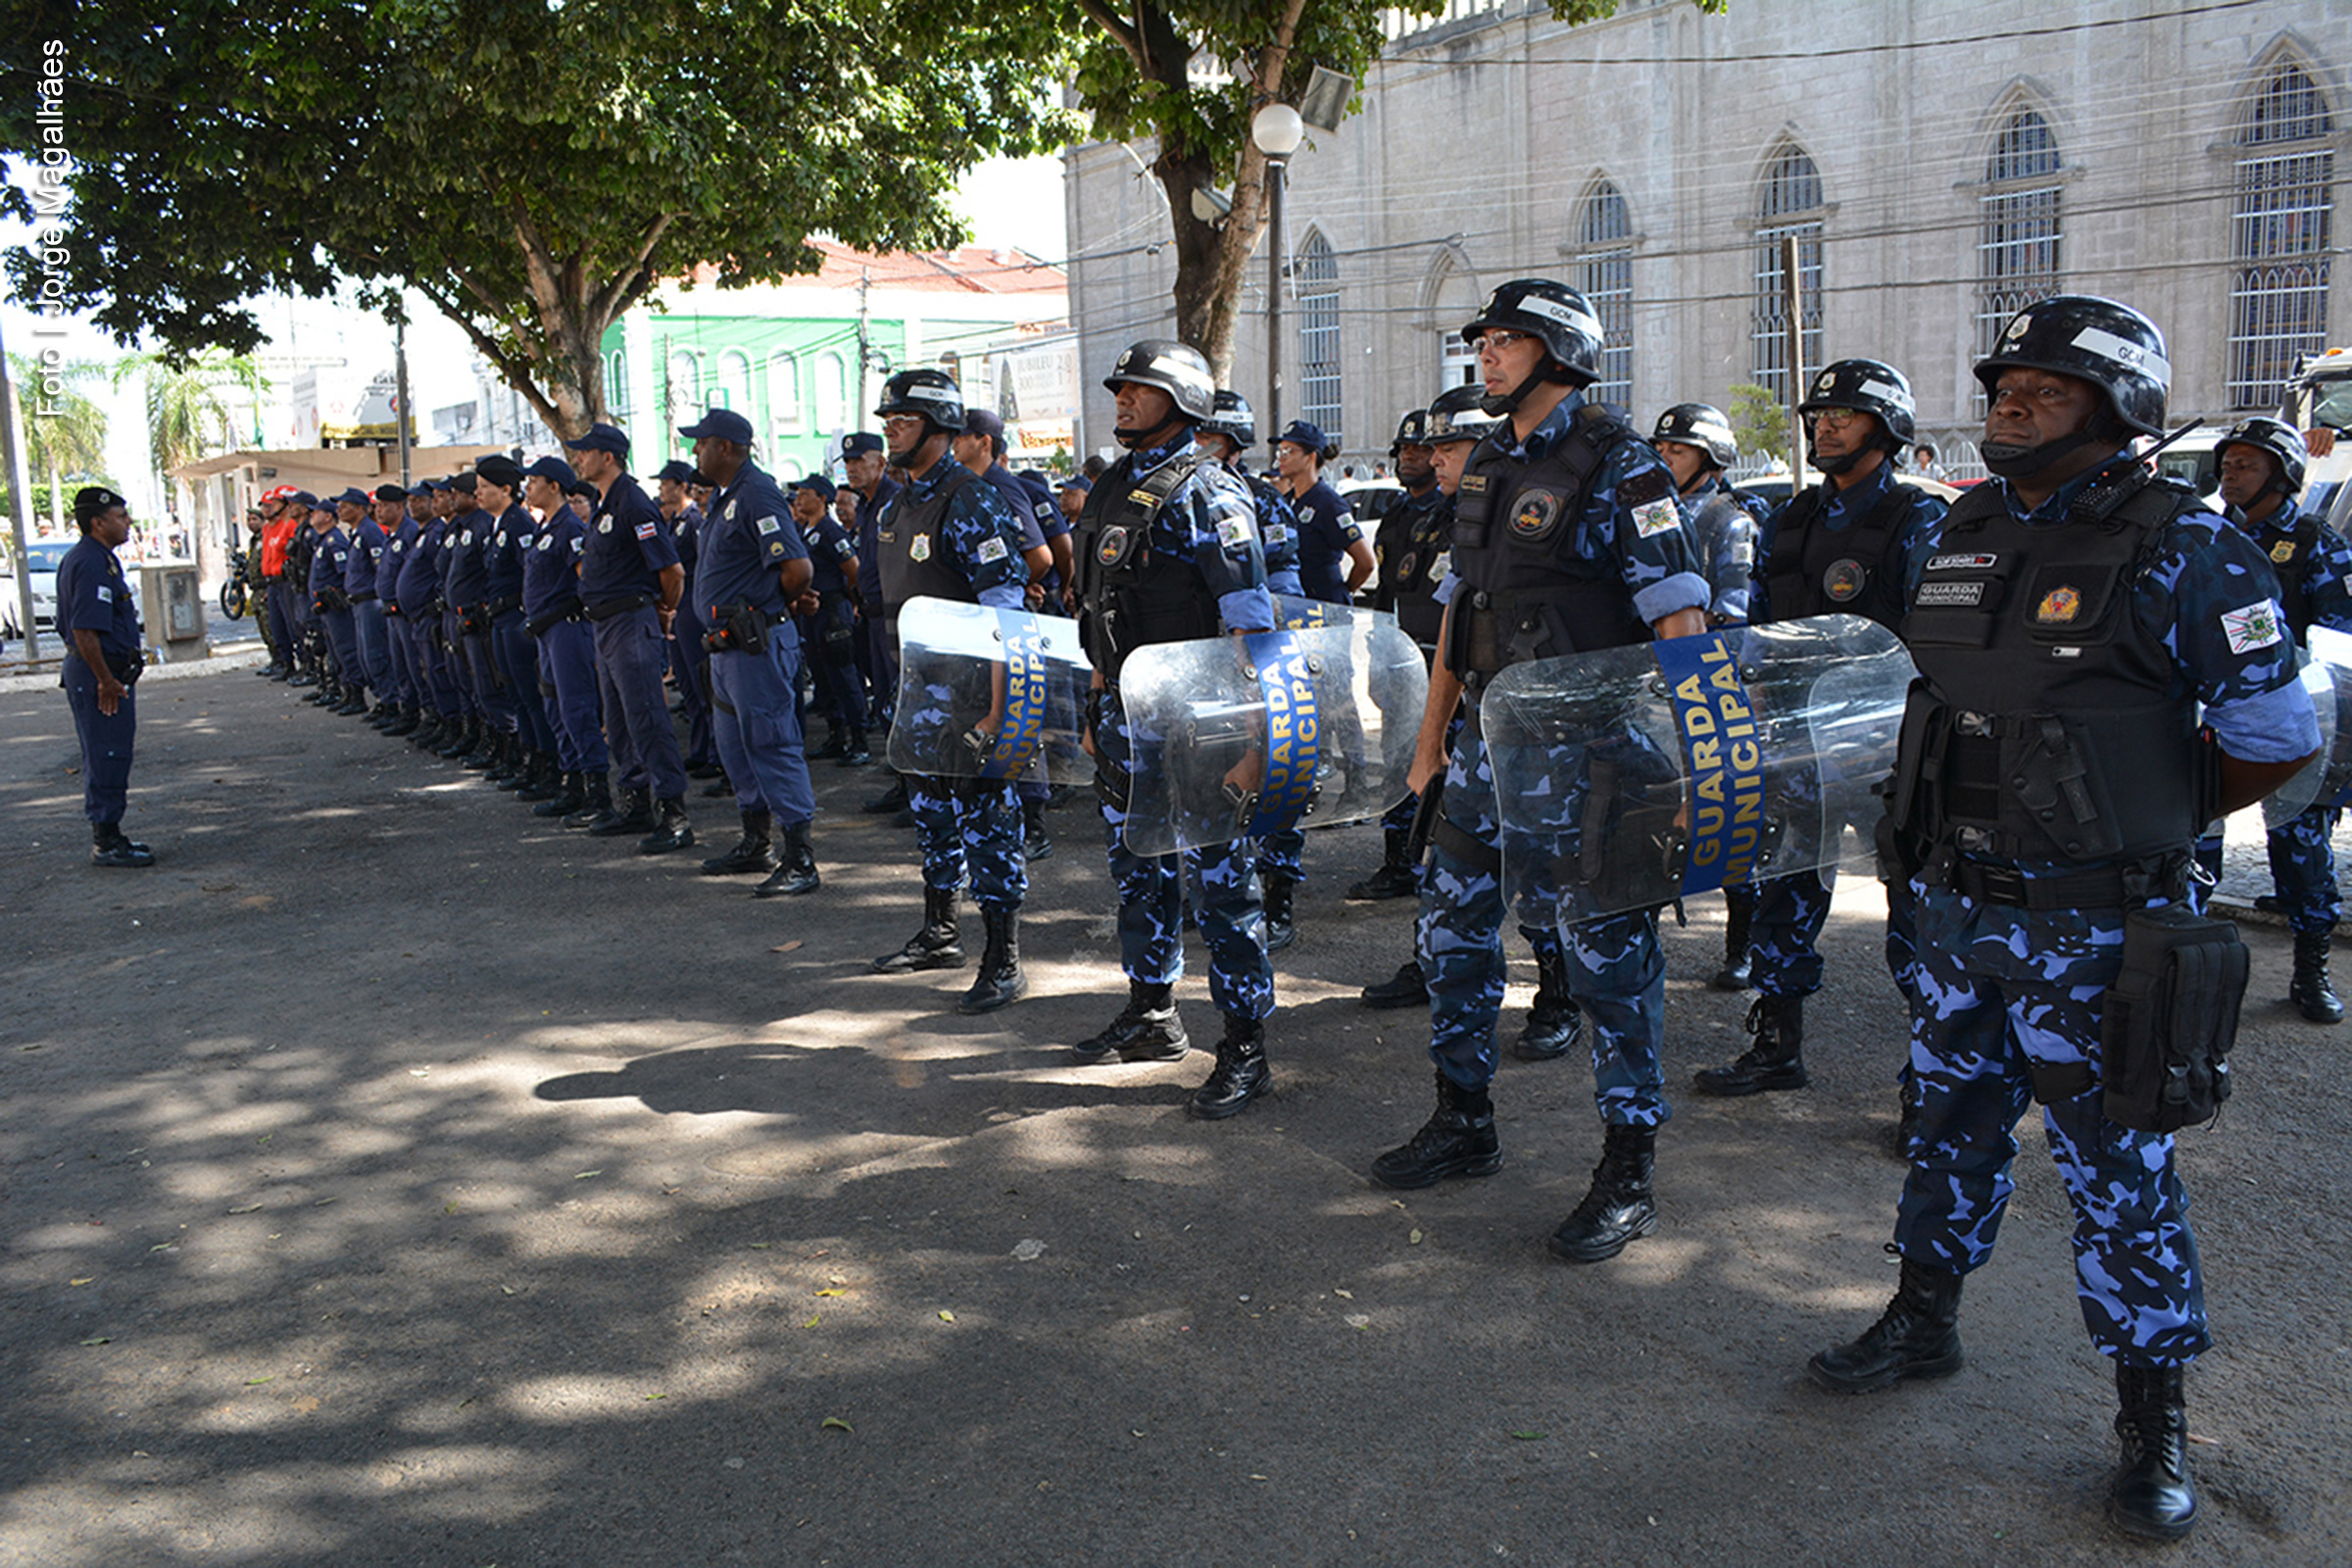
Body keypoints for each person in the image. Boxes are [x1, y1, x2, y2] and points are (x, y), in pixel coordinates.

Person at [1809, 296, 2320, 1543]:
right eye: (2005, 380)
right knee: (1948, 1125)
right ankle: (1923, 1316)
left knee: (2119, 1173)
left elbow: (2275, 741)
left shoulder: (2189, 546)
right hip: (1952, 910)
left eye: (2050, 383)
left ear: (2122, 404)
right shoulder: (1965, 524)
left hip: (2098, 929)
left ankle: (2154, 1417)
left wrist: (2144, 819)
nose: (2012, 396)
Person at [1367, 281, 1709, 1272]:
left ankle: (1628, 1166)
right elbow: (1457, 620)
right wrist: (1431, 745)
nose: (1488, 353)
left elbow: (1680, 623)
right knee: (1452, 935)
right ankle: (1462, 1116)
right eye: (1484, 339)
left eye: (1509, 339)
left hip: (1595, 759)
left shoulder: (1618, 463)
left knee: (1609, 966)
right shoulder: (1485, 464)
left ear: (1560, 351)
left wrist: (1697, 765)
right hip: (1483, 750)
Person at [1690, 363, 1944, 1102]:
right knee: (1783, 892)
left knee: (1917, 917)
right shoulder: (1793, 518)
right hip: (1799, 742)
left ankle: (1929, 1085)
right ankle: (1776, 1045)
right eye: (1819, 415)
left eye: (1845, 415)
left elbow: (1935, 643)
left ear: (1887, 428)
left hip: (1890, 748)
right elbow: (1760, 632)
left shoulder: (1916, 519)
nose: (1824, 426)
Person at [1070, 339, 1278, 1116]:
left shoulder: (1210, 491)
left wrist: (1256, 738)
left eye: (1140, 388)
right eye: (1120, 386)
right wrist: (1094, 700)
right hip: (1126, 716)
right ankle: (1153, 1012)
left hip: (1204, 720)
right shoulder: (1113, 487)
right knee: (1139, 869)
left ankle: (1246, 1044)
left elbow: (1248, 625)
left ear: (1183, 400)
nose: (1123, 397)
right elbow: (1098, 606)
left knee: (1224, 885)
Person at [866, 370, 1035, 1006]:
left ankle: (1004, 957)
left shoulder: (972, 501)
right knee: (933, 822)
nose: (890, 430)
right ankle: (941, 931)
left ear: (939, 430)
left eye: (902, 421)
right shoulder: (895, 503)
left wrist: (1000, 712)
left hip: (969, 704)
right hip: (916, 699)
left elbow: (1007, 617)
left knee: (989, 827)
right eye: (888, 421)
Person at [2210, 416, 2352, 1022]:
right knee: (2194, 836)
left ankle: (2309, 966)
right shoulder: (2206, 534)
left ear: (2282, 473)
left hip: (2294, 712)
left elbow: (2341, 632)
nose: (2231, 473)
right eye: (2228, 464)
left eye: (2247, 464)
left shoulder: (2317, 542)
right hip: (2211, 713)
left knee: (2299, 843)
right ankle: (2184, 960)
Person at [1648, 402, 1774, 990]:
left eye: (1677, 450)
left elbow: (1733, 613)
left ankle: (1740, 946)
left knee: (1724, 816)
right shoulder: (1653, 512)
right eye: (1663, 449)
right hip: (1652, 685)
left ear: (1710, 458)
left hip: (1709, 686)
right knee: (1646, 816)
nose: (1665, 458)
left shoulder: (1729, 520)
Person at [678, 407, 821, 891]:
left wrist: (765, 609)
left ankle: (800, 858)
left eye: (700, 442)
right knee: (736, 748)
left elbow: (797, 570)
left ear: (725, 447)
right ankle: (756, 843)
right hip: (726, 649)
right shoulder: (726, 498)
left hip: (754, 644)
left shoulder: (757, 493)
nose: (693, 450)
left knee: (772, 744)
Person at [564, 420, 697, 853]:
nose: (578, 459)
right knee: (619, 722)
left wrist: (662, 611)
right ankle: (636, 800)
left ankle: (674, 814)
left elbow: (671, 571)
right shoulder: (606, 504)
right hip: (606, 624)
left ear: (608, 457)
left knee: (647, 719)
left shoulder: (634, 504)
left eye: (585, 452)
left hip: (630, 622)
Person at [1350, 408, 1446, 903]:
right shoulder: (1396, 514)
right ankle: (1399, 862)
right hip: (1400, 657)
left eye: (1420, 449)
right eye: (1404, 449)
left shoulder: (1453, 512)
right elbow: (1385, 592)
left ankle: (1436, 862)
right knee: (1395, 762)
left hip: (1442, 663)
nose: (1410, 457)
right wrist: (1378, 654)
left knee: (1440, 769)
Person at [58, 486, 155, 867]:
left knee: (110, 752)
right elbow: (85, 630)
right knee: (107, 753)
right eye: (120, 516)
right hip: (98, 674)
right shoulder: (92, 562)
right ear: (98, 523)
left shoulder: (100, 558)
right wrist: (105, 680)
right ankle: (106, 840)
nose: (127, 522)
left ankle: (111, 832)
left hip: (103, 671)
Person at [520, 457, 605, 819]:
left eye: (534, 481)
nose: (528, 488)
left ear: (554, 485)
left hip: (567, 629)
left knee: (577, 709)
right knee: (556, 709)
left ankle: (596, 792)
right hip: (546, 631)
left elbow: (586, 578)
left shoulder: (570, 527)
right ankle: (572, 783)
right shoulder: (548, 528)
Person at [476, 456, 563, 798]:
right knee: (514, 693)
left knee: (530, 696)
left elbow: (531, 575)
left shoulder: (519, 525)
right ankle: (531, 760)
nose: (479, 494)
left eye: (485, 487)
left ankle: (548, 765)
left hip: (516, 619)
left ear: (505, 489)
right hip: (499, 620)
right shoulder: (499, 524)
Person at [844, 430, 909, 815]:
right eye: (848, 462)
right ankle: (902, 782)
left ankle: (917, 789)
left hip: (894, 618)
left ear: (881, 464)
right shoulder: (866, 506)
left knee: (901, 702)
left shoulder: (894, 502)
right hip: (870, 617)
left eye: (859, 461)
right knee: (885, 701)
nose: (852, 468)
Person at [654, 459, 718, 779]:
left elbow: (704, 564)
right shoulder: (675, 521)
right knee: (688, 684)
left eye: (666, 483)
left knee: (701, 680)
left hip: (693, 601)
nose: (661, 489)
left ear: (681, 487)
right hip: (680, 606)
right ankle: (701, 747)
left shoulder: (693, 520)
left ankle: (716, 752)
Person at [1272, 419, 1373, 605]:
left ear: (1310, 457)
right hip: (1296, 603)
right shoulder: (1287, 502)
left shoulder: (1328, 503)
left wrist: (1343, 591)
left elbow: (1366, 562)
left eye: (1289, 451)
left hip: (1324, 605)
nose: (1281, 458)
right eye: (1280, 451)